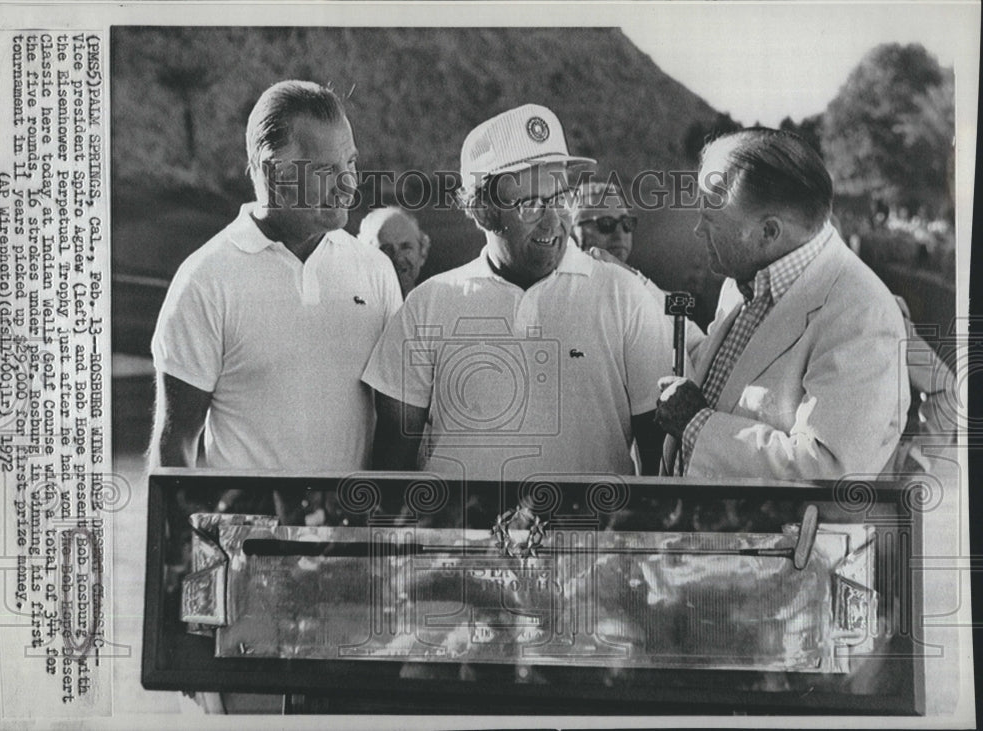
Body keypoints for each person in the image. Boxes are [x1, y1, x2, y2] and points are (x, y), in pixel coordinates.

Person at [149, 80, 401, 713]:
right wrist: (181, 613)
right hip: (241, 579)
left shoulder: (374, 270)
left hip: (350, 573)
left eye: (352, 165)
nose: (349, 185)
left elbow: (396, 431)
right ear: (270, 171)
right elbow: (174, 452)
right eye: (328, 170)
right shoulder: (205, 281)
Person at [361, 104, 673, 480]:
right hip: (462, 539)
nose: (553, 221)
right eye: (529, 205)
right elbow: (392, 463)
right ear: (482, 212)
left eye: (559, 199)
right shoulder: (427, 304)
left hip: (587, 538)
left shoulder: (625, 297)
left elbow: (659, 463)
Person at [655, 128, 909, 480]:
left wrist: (698, 425)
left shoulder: (862, 314)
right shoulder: (744, 280)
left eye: (710, 220)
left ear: (768, 233)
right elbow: (731, 385)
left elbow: (829, 471)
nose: (698, 230)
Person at [358, 206, 431, 298]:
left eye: (406, 247)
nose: (399, 258)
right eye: (386, 249)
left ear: (422, 254)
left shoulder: (434, 308)